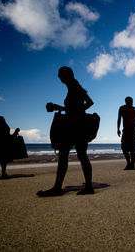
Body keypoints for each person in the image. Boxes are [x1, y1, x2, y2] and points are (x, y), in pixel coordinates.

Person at [37, 66, 94, 197]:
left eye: (59, 74)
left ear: (65, 75)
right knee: (80, 155)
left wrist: (77, 114)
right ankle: (88, 186)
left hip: (75, 127)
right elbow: (83, 105)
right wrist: (61, 108)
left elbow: (88, 103)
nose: (58, 76)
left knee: (66, 155)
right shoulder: (74, 86)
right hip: (78, 125)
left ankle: (58, 188)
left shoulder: (74, 86)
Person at [117, 96, 135, 170]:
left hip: (133, 130)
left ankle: (131, 165)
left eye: (131, 102)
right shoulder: (122, 108)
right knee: (123, 147)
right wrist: (118, 129)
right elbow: (119, 119)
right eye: (130, 101)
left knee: (132, 149)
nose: (131, 103)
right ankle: (129, 163)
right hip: (126, 130)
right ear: (126, 101)